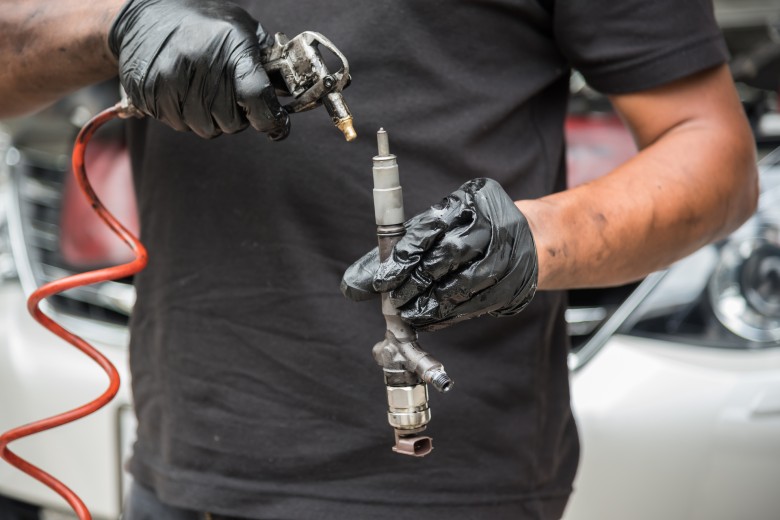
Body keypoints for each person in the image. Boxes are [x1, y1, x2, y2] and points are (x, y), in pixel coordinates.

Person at [0, 1, 758, 519]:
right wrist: (120, 24)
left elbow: (715, 155)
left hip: (447, 493)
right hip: (182, 470)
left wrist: (531, 240)